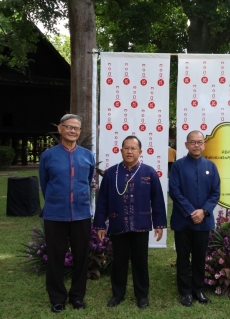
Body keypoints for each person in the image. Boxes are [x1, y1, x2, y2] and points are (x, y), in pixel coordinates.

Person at [94, 135, 167, 309]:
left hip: (140, 225)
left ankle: (142, 295)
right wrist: (100, 224)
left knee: (140, 261)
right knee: (118, 261)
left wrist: (159, 224)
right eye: (126, 148)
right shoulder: (111, 173)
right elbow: (102, 200)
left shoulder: (149, 173)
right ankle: (117, 294)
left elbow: (157, 200)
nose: (129, 151)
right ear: (121, 150)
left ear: (140, 152)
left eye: (133, 148)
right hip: (118, 224)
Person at [39, 114, 95, 313]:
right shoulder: (48, 156)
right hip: (55, 215)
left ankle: (78, 297)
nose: (73, 131)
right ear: (60, 129)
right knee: (55, 258)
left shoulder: (87, 156)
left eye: (76, 128)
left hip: (81, 215)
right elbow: (45, 184)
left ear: (79, 132)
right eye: (69, 127)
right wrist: (56, 201)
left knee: (82, 257)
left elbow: (88, 183)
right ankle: (57, 298)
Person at [169, 130, 220, 307]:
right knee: (183, 257)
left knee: (200, 256)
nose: (196, 145)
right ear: (186, 145)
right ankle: (185, 292)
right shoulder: (178, 166)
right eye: (193, 142)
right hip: (183, 220)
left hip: (203, 221)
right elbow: (174, 191)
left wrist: (203, 211)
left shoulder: (211, 166)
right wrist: (192, 212)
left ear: (204, 144)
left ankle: (198, 289)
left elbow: (215, 193)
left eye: (199, 142)